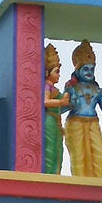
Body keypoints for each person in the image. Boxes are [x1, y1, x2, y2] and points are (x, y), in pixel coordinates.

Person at [63, 39, 102, 178]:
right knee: (78, 156)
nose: (89, 72)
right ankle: (80, 186)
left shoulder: (97, 90)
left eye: (92, 69)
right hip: (75, 123)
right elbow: (63, 107)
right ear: (77, 70)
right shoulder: (72, 87)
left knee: (98, 153)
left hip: (93, 124)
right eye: (85, 69)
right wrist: (69, 101)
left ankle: (96, 184)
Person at [43, 45, 70, 175]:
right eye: (56, 71)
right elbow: (45, 102)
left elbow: (60, 106)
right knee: (50, 149)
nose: (59, 75)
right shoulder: (47, 87)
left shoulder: (54, 89)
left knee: (59, 150)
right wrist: (61, 102)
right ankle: (49, 174)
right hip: (49, 121)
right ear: (48, 72)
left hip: (56, 122)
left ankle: (55, 173)